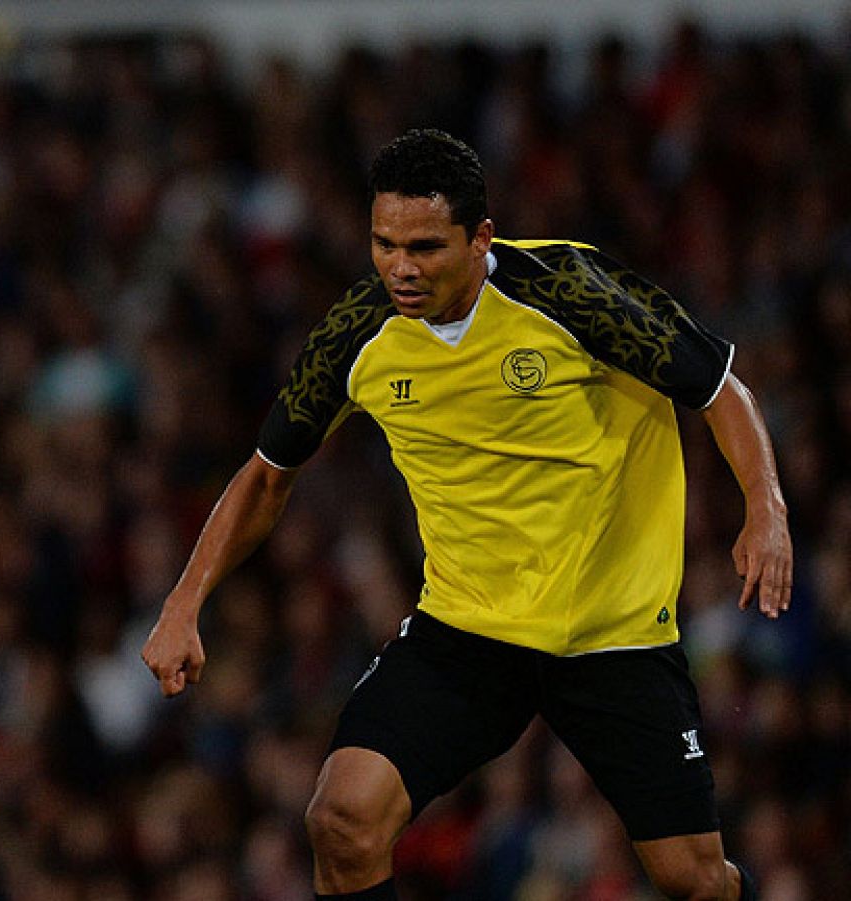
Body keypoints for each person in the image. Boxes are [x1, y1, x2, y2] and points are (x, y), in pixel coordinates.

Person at [142, 128, 792, 901]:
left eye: (424, 246)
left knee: (694, 881)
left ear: (481, 237)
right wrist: (184, 603)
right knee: (342, 818)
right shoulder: (357, 334)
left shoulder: (570, 291)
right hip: (469, 630)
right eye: (384, 243)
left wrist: (766, 506)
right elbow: (265, 475)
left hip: (610, 632)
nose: (400, 267)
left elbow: (720, 389)